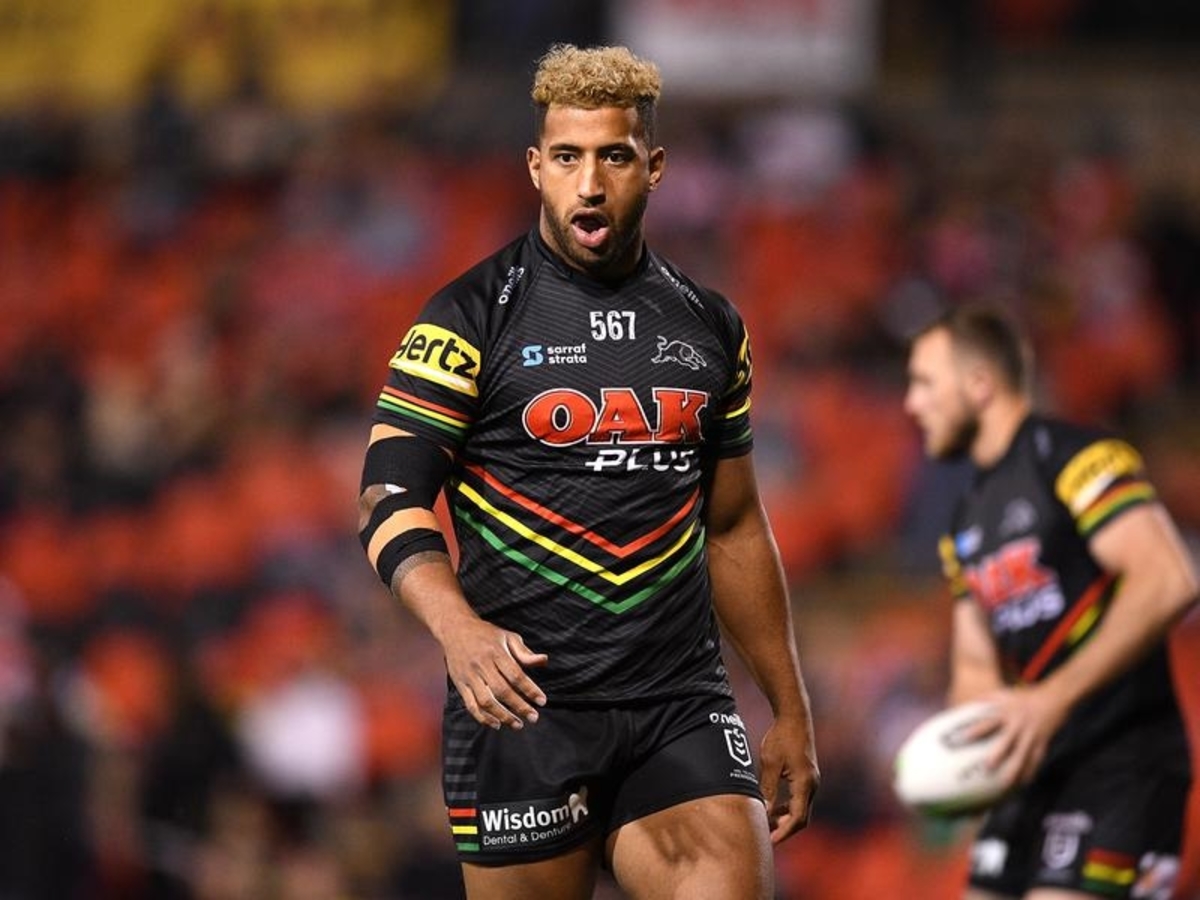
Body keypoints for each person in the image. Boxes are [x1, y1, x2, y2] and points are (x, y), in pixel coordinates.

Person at [357, 43, 819, 900]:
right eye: (568, 158)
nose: (591, 184)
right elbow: (387, 495)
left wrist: (789, 707)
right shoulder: (467, 317)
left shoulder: (711, 326)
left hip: (678, 701)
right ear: (536, 168)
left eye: (615, 157)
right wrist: (458, 631)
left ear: (655, 167)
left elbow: (732, 525)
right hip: (524, 705)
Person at [904, 303, 1198, 900]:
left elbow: (1169, 580)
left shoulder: (1078, 458)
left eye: (925, 383)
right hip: (1034, 777)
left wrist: (1050, 700)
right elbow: (975, 669)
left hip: (1122, 767)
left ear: (979, 384)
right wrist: (967, 754)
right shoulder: (964, 521)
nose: (912, 404)